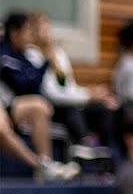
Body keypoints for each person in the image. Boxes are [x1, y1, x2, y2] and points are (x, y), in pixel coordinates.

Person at [27, 12, 117, 156]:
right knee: (70, 107)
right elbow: (52, 93)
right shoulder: (30, 55)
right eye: (40, 29)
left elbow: (69, 86)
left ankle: (106, 155)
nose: (46, 33)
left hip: (70, 102)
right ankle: (83, 143)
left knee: (104, 108)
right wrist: (87, 96)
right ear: (32, 32)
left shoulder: (58, 53)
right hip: (50, 106)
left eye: (47, 28)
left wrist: (92, 92)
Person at [1, 11, 78, 179]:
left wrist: (49, 61)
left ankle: (46, 163)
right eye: (28, 31)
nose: (30, 37)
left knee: (40, 106)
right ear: (15, 32)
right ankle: (39, 164)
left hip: (10, 107)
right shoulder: (4, 55)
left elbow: (49, 82)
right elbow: (24, 84)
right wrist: (46, 63)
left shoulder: (23, 55)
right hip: (7, 107)